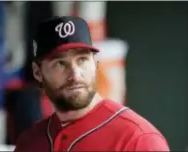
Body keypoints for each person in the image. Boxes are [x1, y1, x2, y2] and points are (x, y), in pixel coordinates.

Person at [14, 16, 170, 152]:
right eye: (60, 64)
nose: (75, 74)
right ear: (37, 72)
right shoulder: (29, 141)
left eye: (82, 60)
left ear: (95, 64)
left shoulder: (139, 141)